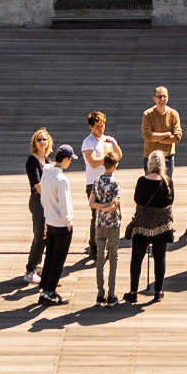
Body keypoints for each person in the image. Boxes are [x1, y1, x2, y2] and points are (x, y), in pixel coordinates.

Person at [125, 151, 176, 304]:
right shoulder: (168, 183)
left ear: (149, 165)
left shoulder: (141, 181)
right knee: (160, 258)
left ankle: (133, 292)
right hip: (161, 226)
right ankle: (158, 291)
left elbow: (137, 199)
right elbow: (170, 200)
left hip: (142, 226)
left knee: (136, 259)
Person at [38, 145, 77, 306]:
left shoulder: (46, 174)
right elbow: (65, 205)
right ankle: (50, 292)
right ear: (66, 159)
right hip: (61, 225)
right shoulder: (61, 180)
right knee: (58, 260)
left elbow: (43, 199)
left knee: (49, 257)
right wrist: (69, 223)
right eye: (70, 160)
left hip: (50, 221)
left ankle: (45, 289)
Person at [81, 111, 120, 261]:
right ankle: (94, 247)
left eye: (103, 125)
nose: (101, 129)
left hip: (110, 181)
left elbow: (119, 156)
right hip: (94, 183)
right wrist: (109, 158)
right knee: (96, 215)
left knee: (111, 213)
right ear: (91, 127)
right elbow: (93, 161)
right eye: (98, 126)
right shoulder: (88, 142)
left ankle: (110, 246)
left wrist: (114, 146)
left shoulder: (108, 140)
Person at [88, 154, 123, 307]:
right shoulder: (115, 183)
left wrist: (100, 208)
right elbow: (114, 204)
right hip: (113, 224)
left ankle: (99, 294)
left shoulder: (96, 182)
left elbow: (91, 203)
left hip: (99, 224)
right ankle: (111, 294)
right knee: (113, 258)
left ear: (104, 164)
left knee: (100, 259)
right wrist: (108, 207)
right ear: (114, 166)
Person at [24, 129, 52, 285]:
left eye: (45, 139)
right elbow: (37, 184)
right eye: (39, 139)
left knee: (47, 235)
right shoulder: (32, 160)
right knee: (40, 235)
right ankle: (30, 269)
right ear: (35, 142)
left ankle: (37, 265)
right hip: (38, 200)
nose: (42, 142)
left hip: (46, 201)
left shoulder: (46, 161)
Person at [141, 86, 183, 177]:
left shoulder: (173, 114)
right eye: (159, 96)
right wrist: (167, 134)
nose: (162, 99)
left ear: (168, 97)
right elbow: (147, 135)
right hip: (150, 156)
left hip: (168, 157)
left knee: (166, 186)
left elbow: (177, 136)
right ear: (154, 98)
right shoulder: (148, 114)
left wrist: (159, 140)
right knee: (150, 184)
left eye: (164, 96)